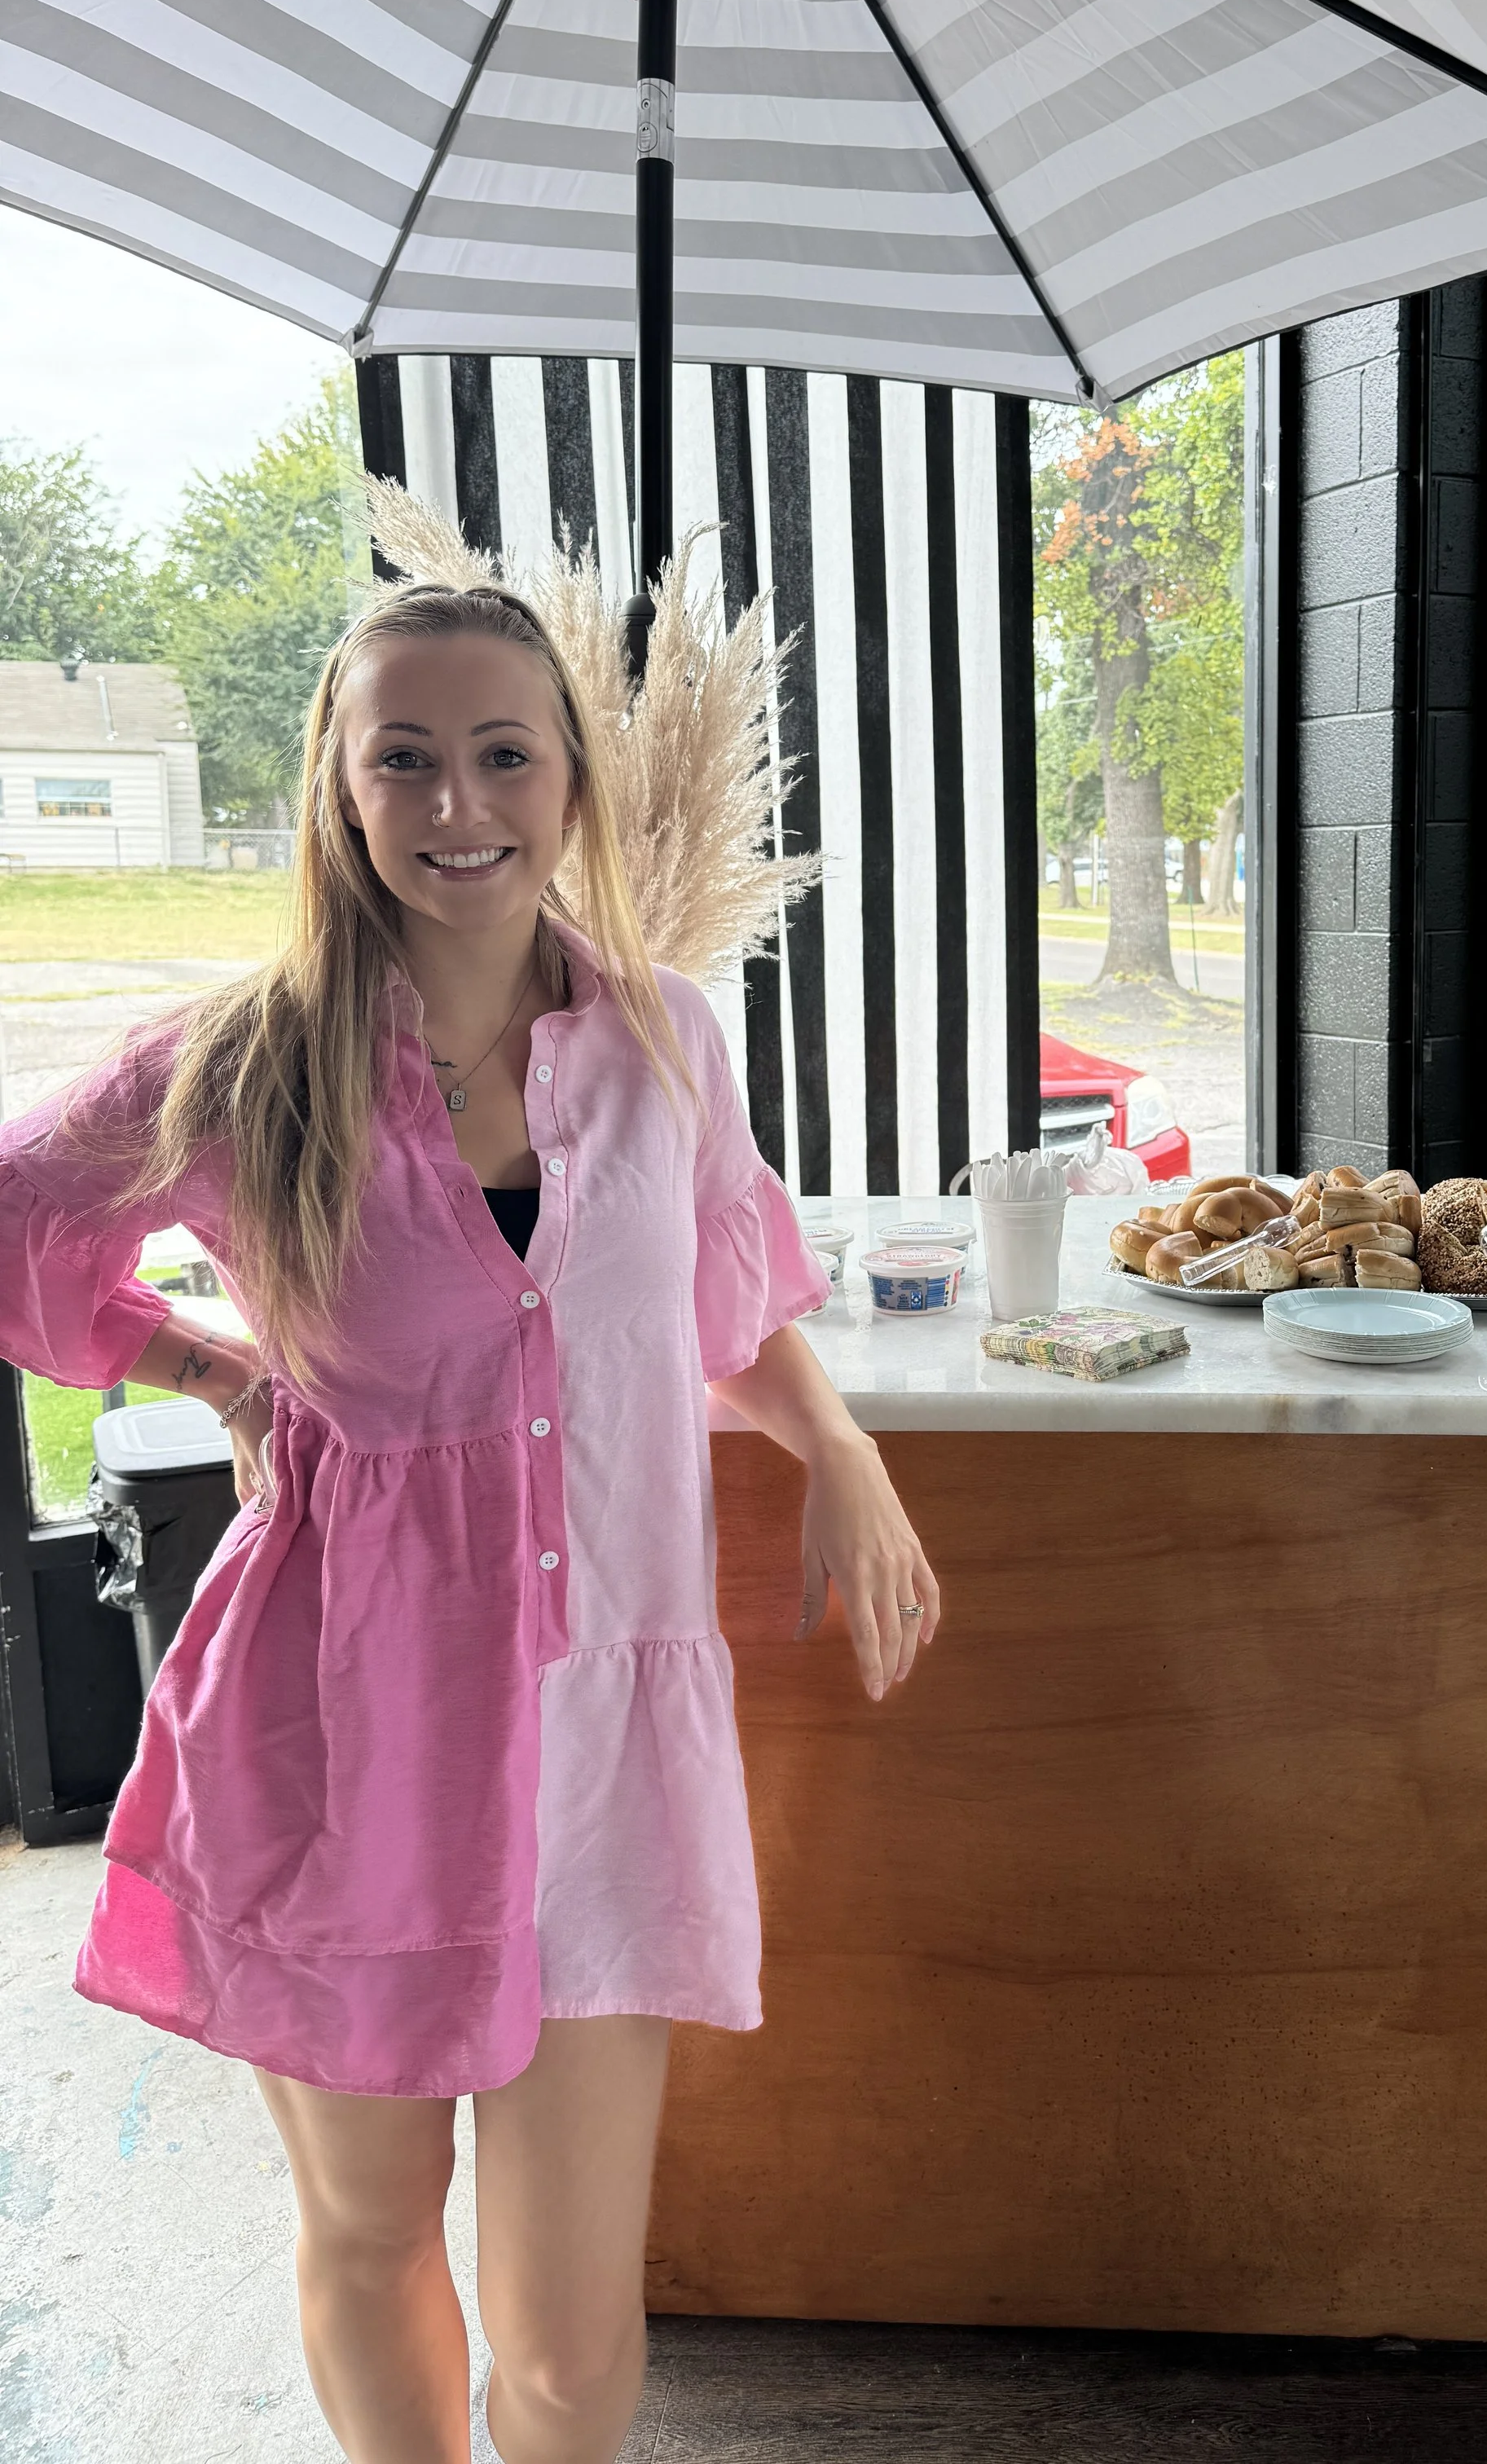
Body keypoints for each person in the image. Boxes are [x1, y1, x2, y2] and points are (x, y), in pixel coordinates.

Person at [0, 583, 939, 2464]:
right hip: (345, 1738)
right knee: (363, 2226)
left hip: (603, 1747)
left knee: (578, 2334)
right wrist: (216, 1373)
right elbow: (24, 1225)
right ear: (340, 796)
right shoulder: (249, 1063)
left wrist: (839, 1442)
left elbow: (726, 1302)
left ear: (571, 780)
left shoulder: (662, 1038)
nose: (458, 801)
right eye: (404, 757)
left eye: (504, 751)